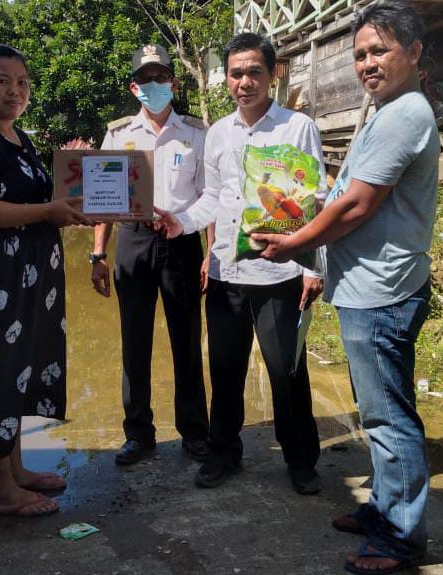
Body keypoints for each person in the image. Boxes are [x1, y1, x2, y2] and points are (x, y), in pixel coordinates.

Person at [251, 2, 439, 573]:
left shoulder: (404, 113)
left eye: (378, 50)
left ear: (413, 51)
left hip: (382, 291)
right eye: (359, 54)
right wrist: (305, 212)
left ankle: (401, 538)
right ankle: (383, 507)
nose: (366, 63)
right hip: (367, 286)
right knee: (377, 409)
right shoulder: (384, 112)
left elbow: (356, 205)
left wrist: (294, 242)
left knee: (389, 418)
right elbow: (343, 191)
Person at [154, 33, 326, 495]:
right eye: (236, 73)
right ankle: (223, 452)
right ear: (225, 80)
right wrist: (181, 223)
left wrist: (313, 267)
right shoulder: (218, 134)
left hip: (280, 272)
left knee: (286, 371)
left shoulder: (297, 128)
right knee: (225, 369)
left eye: (254, 71)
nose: (244, 82)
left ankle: (300, 460)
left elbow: (315, 203)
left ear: (273, 74)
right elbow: (213, 198)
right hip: (228, 272)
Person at [0, 45, 89, 518]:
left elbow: (46, 196)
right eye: (2, 80)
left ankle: (17, 471)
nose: (14, 90)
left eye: (22, 82)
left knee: (17, 372)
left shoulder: (18, 138)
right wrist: (49, 210)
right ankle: (2, 492)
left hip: (28, 282)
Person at [90, 44, 210, 465]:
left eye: (161, 78)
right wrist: (98, 254)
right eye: (145, 79)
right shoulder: (118, 134)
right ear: (133, 87)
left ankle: (195, 431)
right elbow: (103, 197)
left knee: (187, 341)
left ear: (174, 83)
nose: (154, 85)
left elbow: (208, 198)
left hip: (182, 243)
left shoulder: (196, 133)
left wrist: (210, 257)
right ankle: (138, 434)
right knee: (134, 341)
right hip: (133, 241)